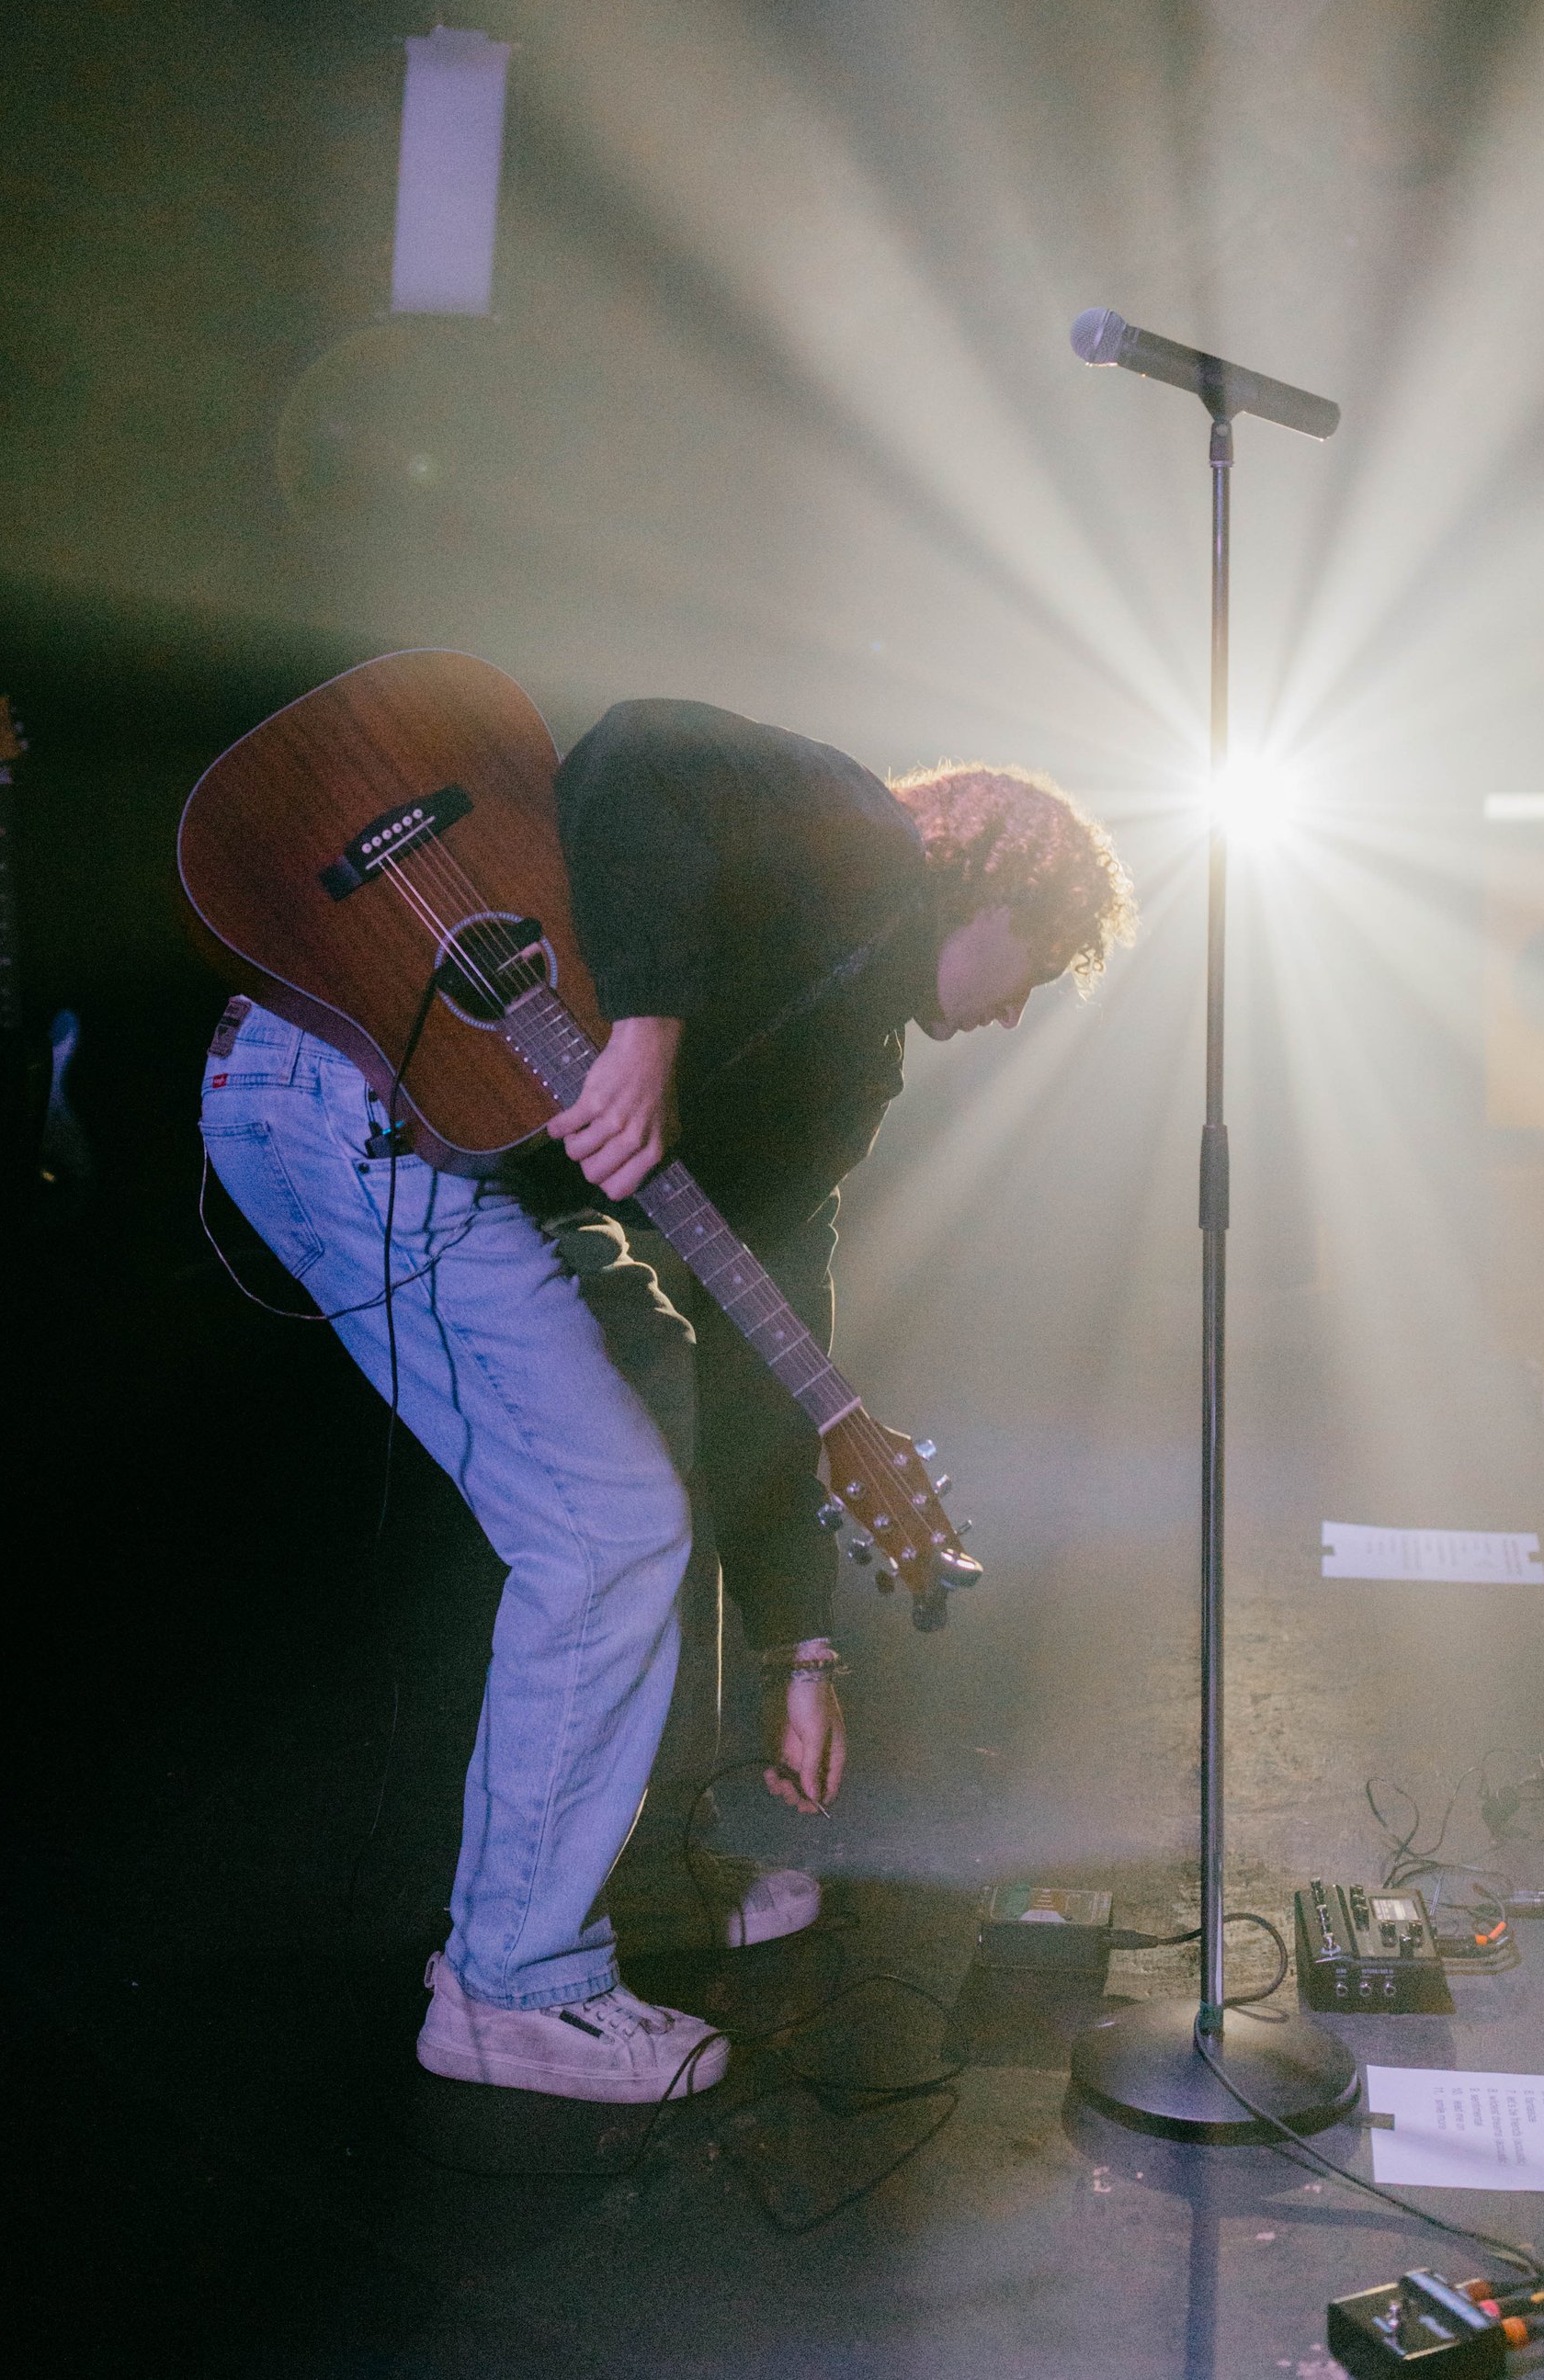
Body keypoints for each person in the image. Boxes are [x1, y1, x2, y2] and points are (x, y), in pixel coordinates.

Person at [199, 696, 1134, 2105]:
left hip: (457, 1146)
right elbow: (638, 754)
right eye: (1039, 963)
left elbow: (769, 1342)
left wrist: (802, 1646)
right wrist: (646, 1028)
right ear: (995, 878)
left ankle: (646, 1858)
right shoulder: (857, 835)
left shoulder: (846, 1064)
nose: (1015, 1007)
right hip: (349, 1096)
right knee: (609, 1523)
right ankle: (514, 1984)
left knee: (656, 1385)